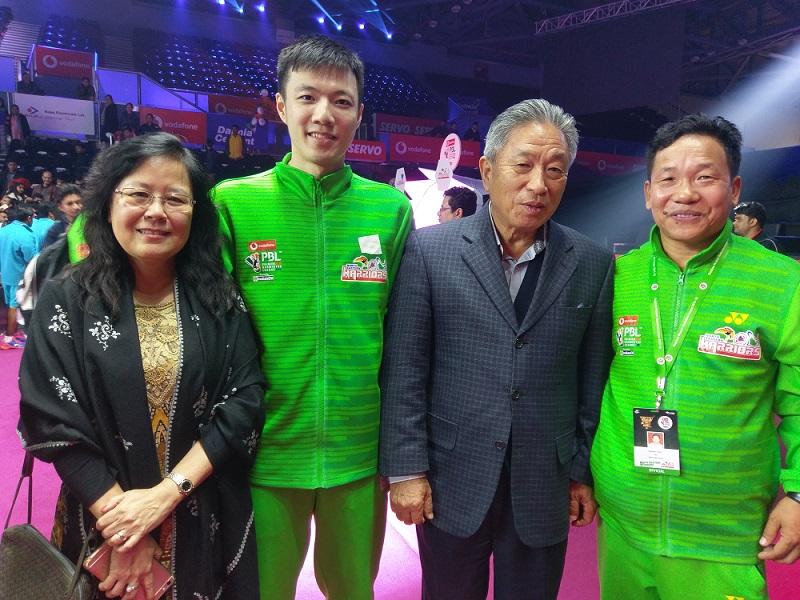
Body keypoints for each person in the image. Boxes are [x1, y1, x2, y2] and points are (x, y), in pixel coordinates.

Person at [379, 98, 614, 600]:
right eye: (523, 165)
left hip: (544, 482)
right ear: (487, 170)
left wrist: (581, 472)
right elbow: (405, 370)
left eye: (555, 170)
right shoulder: (430, 251)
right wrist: (406, 470)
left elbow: (592, 380)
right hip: (449, 477)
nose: (538, 184)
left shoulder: (592, 264)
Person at [17, 132, 266, 599]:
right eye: (138, 194)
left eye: (175, 198)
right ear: (107, 203)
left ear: (196, 213)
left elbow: (244, 402)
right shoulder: (66, 299)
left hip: (200, 519)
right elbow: (51, 418)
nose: (156, 211)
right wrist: (124, 527)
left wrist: (161, 498)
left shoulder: (220, 299)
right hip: (99, 528)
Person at [212, 34, 413, 600]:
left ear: (359, 114)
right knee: (260, 591)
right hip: (265, 451)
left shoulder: (390, 209)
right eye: (307, 98)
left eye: (341, 101)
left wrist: (399, 456)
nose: (324, 115)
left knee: (353, 590)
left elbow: (404, 337)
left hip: (358, 452)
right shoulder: (233, 202)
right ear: (281, 106)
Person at [590, 114, 800, 600]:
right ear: (647, 193)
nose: (683, 194)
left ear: (734, 187)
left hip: (724, 541)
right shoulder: (617, 276)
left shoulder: (781, 282)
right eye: (668, 179)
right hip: (623, 529)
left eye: (704, 177)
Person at [0, 206, 36, 348]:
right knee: (14, 306)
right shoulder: (25, 234)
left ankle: (10, 333)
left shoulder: (3, 230)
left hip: (5, 273)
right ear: (28, 218)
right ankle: (9, 337)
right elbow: (30, 257)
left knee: (10, 304)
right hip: (19, 275)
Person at [42, 183, 82, 249]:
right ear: (60, 207)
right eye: (70, 204)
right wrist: (64, 239)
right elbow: (49, 256)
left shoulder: (92, 224)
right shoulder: (55, 230)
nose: (76, 207)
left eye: (78, 202)